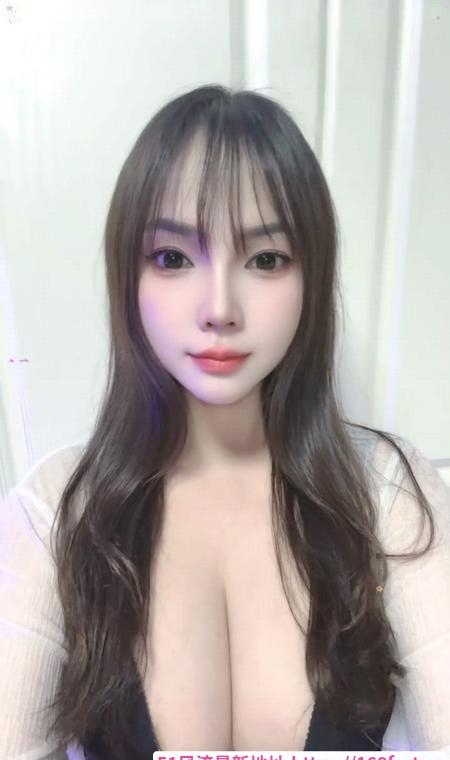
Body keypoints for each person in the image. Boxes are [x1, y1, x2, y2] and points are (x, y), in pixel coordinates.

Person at [1, 84, 449, 760]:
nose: (219, 308)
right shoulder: (55, 511)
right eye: (172, 258)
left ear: (312, 276)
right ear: (128, 275)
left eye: (266, 259)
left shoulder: (386, 490)